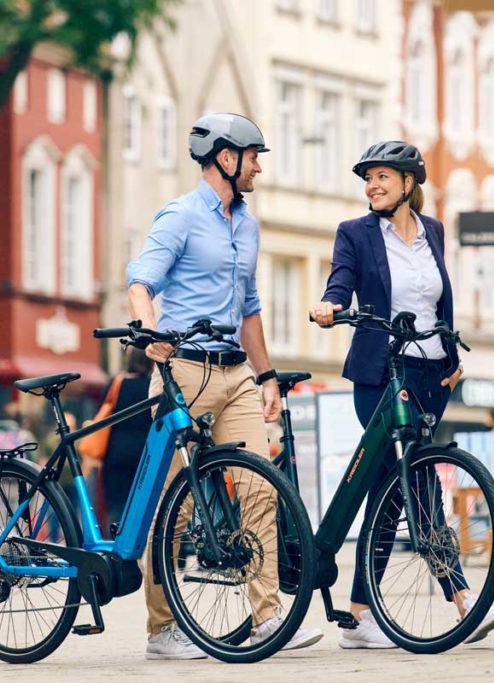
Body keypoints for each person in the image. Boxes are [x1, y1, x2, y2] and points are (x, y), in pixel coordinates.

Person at [127, 112, 323, 659]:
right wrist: (148, 332)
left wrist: (266, 377)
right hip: (183, 369)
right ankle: (161, 630)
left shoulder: (249, 225)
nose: (260, 165)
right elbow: (142, 282)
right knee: (174, 506)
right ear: (224, 158)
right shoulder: (181, 217)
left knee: (260, 488)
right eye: (253, 155)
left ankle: (266, 619)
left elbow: (251, 310)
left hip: (236, 372)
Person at [310, 141, 494, 648]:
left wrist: (451, 352)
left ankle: (357, 616)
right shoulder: (355, 234)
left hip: (429, 375)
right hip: (380, 374)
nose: (372, 185)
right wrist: (330, 306)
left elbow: (437, 298)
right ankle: (462, 598)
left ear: (408, 183)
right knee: (418, 485)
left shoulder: (434, 233)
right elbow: (341, 282)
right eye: (368, 178)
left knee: (390, 492)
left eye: (382, 176)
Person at [100, 349, 154, 529]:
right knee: (142, 504)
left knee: (117, 505)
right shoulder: (151, 386)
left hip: (115, 452)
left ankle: (117, 548)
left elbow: (103, 413)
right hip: (144, 453)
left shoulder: (116, 384)